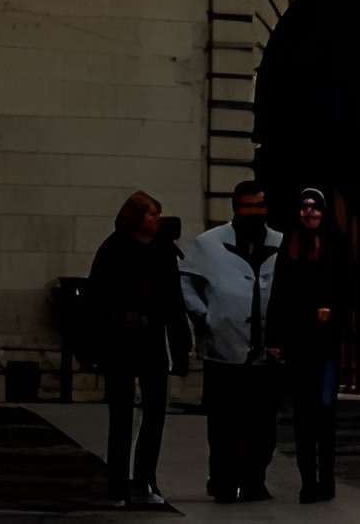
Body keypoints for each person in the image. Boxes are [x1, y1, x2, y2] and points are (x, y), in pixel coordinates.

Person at [180, 181, 283, 502]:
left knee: (263, 424)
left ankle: (254, 479)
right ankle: (223, 479)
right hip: (223, 349)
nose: (255, 213)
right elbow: (185, 282)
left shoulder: (282, 243)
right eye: (248, 207)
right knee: (224, 421)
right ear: (236, 208)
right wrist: (205, 314)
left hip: (268, 351)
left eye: (260, 207)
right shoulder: (209, 244)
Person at [88, 190, 189, 510]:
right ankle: (118, 484)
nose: (156, 220)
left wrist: (180, 345)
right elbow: (97, 298)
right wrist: (99, 341)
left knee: (155, 412)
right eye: (151, 215)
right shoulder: (114, 248)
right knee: (121, 414)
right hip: (121, 339)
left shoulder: (163, 250)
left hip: (152, 338)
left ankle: (145, 478)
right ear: (136, 217)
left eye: (158, 215)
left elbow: (174, 301)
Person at [265, 187, 356, 503]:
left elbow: (348, 289)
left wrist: (334, 313)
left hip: (327, 343)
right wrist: (274, 338)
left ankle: (326, 479)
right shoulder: (290, 246)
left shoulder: (337, 243)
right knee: (303, 415)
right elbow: (279, 292)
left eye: (315, 207)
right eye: (304, 208)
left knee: (325, 412)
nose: (309, 213)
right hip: (298, 341)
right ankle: (308, 482)